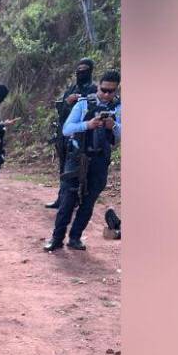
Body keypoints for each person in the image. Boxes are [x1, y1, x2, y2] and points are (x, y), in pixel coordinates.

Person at [45, 70, 122, 252]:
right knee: (67, 200)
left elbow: (121, 135)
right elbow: (67, 129)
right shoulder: (84, 104)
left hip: (100, 161)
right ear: (98, 86)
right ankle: (57, 238)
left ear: (116, 90)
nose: (106, 94)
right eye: (104, 90)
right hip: (77, 158)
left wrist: (114, 126)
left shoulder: (119, 107)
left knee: (88, 202)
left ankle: (75, 238)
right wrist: (87, 125)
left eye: (111, 91)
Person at [45, 58, 99, 209]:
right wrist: (68, 102)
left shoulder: (94, 90)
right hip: (65, 136)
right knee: (64, 169)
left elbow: (92, 114)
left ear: (90, 71)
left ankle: (76, 200)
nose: (81, 73)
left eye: (84, 70)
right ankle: (62, 199)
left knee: (80, 171)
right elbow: (61, 113)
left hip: (82, 137)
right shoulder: (71, 89)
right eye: (78, 70)